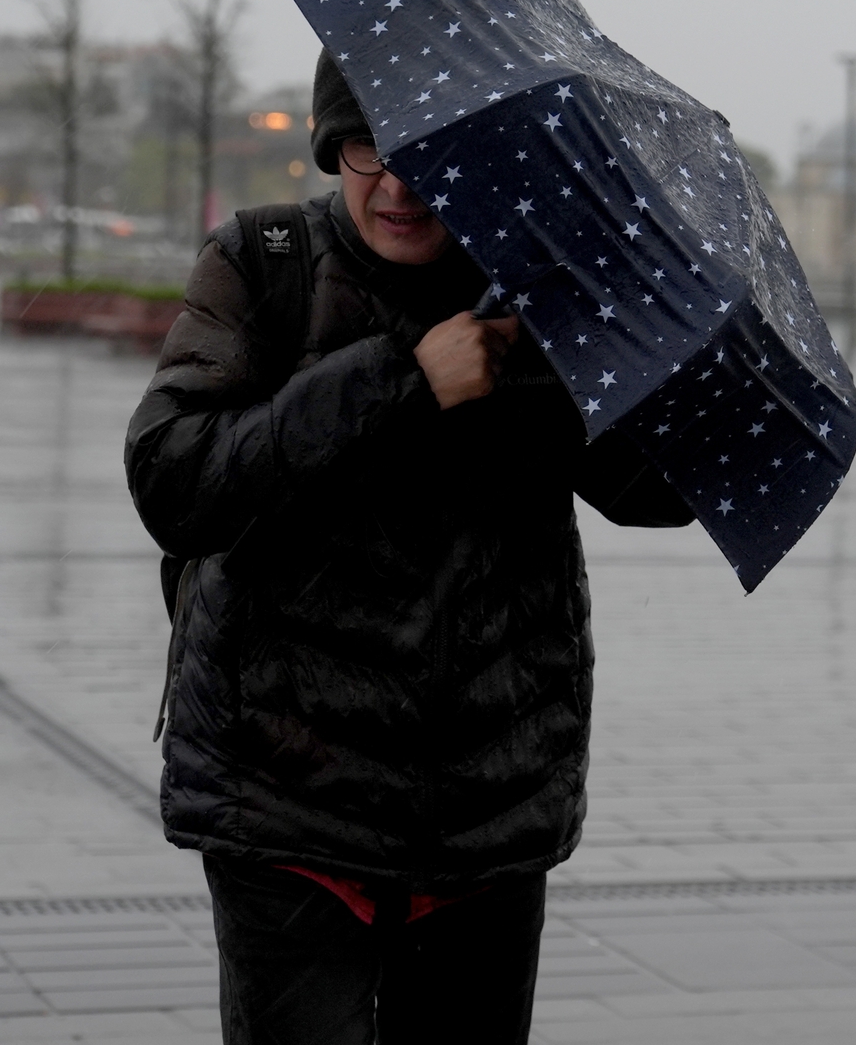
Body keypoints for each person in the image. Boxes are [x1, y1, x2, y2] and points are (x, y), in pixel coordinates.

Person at [125, 51, 692, 1045]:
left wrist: (613, 347)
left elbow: (658, 495)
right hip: (287, 806)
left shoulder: (538, 297)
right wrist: (397, 378)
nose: (395, 180)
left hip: (484, 814)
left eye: (430, 152)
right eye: (365, 145)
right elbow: (177, 482)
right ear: (326, 144)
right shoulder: (264, 265)